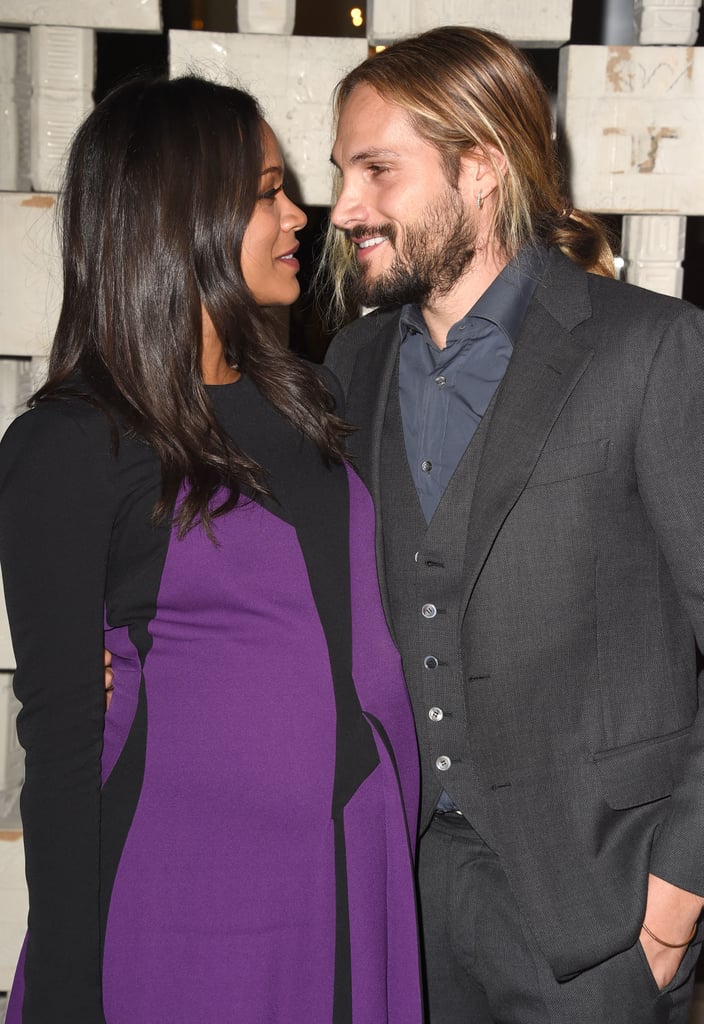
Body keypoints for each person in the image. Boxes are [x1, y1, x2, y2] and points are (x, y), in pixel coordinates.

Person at [0, 74, 422, 1024]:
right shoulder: (69, 446)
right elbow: (61, 752)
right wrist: (71, 994)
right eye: (267, 190)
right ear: (179, 216)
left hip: (354, 870)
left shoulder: (312, 397)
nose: (299, 213)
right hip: (187, 903)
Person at [320, 25, 704, 1024]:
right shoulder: (346, 372)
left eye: (376, 171)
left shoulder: (649, 348)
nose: (344, 208)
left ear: (479, 166)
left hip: (597, 912)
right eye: (340, 174)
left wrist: (673, 899)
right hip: (396, 899)